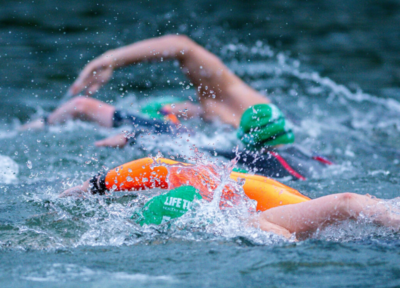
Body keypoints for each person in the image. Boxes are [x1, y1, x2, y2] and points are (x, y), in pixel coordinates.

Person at [22, 34, 331, 179]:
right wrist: (110, 61)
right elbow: (180, 46)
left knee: (82, 106)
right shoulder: (224, 113)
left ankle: (38, 126)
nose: (180, 108)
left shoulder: (238, 104)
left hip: (214, 146)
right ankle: (39, 125)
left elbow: (182, 45)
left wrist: (137, 138)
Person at [59, 157, 400, 240]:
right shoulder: (248, 218)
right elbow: (346, 202)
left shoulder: (215, 193)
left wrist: (75, 192)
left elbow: (150, 167)